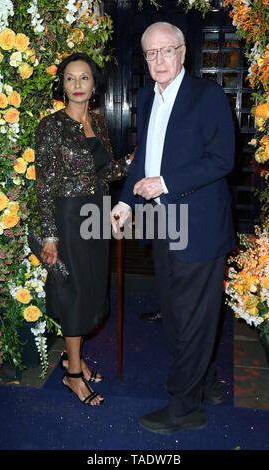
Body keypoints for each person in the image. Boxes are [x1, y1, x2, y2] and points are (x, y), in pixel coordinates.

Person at [111, 22, 236, 433]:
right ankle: (208, 384)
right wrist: (127, 202)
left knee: (193, 316)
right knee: (180, 315)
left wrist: (164, 183)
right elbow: (143, 156)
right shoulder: (147, 97)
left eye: (167, 51)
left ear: (183, 53)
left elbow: (221, 159)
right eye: (151, 53)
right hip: (162, 223)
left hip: (198, 224)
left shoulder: (208, 94)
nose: (160, 60)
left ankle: (187, 407)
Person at [35, 52, 132, 406]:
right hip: (69, 218)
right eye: (70, 79)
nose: (77, 85)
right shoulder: (50, 126)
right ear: (62, 85)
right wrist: (50, 235)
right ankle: (73, 375)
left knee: (90, 289)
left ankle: (70, 358)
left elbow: (104, 174)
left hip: (97, 215)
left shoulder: (100, 123)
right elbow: (43, 184)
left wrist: (133, 163)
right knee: (73, 293)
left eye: (84, 78)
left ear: (94, 84)